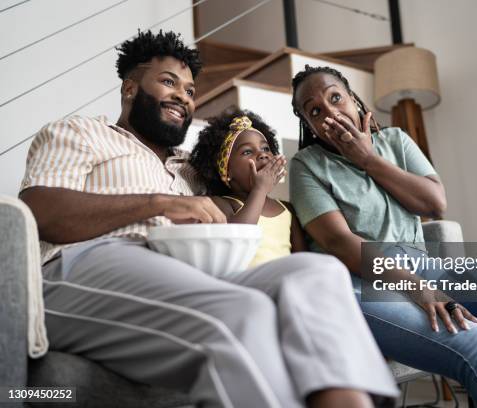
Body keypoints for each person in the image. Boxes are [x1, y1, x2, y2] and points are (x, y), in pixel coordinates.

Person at [18, 32, 399, 408]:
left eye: (189, 91)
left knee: (317, 274)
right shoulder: (80, 133)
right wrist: (159, 203)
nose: (183, 97)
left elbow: (240, 178)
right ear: (130, 88)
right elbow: (41, 213)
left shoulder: (192, 171)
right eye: (169, 82)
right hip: (81, 265)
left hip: (183, 272)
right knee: (243, 313)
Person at [289, 65, 477, 407]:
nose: (330, 111)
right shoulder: (306, 165)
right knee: (475, 342)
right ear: (309, 125)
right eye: (315, 111)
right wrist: (417, 288)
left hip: (423, 264)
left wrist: (368, 159)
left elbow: (434, 202)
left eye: (335, 97)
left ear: (354, 99)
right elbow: (340, 243)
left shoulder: (396, 140)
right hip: (363, 284)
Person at [190, 108, 306, 267]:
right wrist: (260, 190)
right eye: (247, 152)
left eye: (265, 148)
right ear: (226, 171)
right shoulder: (222, 204)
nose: (262, 154)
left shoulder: (287, 209)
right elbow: (237, 242)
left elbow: (304, 259)